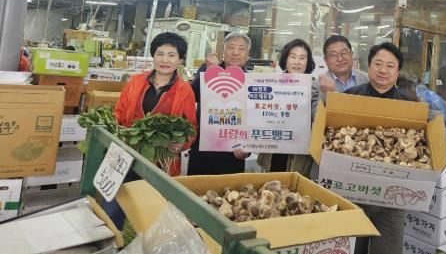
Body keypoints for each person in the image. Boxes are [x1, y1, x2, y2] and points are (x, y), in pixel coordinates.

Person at [344, 42, 411, 254]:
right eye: (378, 64)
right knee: (351, 251)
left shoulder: (411, 103)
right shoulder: (350, 97)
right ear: (369, 66)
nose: (383, 70)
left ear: (397, 71)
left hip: (392, 197)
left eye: (390, 66)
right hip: (353, 192)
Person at [114, 32, 197, 176]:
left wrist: (180, 144)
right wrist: (116, 130)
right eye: (160, 54)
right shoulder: (135, 82)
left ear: (180, 60)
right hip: (127, 155)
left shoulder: (185, 90)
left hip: (162, 161)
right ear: (153, 56)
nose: (164, 60)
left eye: (171, 55)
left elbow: (191, 128)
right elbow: (119, 112)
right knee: (124, 189)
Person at [188, 32, 251, 175]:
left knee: (230, 188)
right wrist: (211, 71)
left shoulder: (252, 81)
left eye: (241, 49)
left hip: (233, 153)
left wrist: (247, 149)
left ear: (248, 54)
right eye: (231, 47)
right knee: (195, 187)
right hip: (202, 148)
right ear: (223, 51)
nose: (235, 52)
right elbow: (193, 96)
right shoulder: (208, 67)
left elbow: (255, 118)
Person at [257, 39, 320, 177]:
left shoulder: (314, 88)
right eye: (293, 57)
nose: (297, 62)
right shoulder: (271, 84)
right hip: (273, 151)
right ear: (285, 59)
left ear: (308, 62)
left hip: (298, 156)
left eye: (302, 58)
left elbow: (317, 120)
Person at [319, 35, 368, 99]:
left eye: (344, 53)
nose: (340, 59)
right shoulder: (317, 85)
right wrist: (329, 95)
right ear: (326, 60)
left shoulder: (368, 80)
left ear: (351, 54)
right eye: (334, 55)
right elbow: (317, 105)